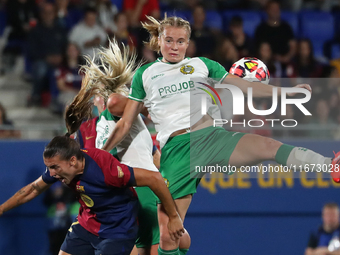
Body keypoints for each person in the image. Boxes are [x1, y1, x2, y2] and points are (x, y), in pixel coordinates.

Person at [99, 15, 340, 255]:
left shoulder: (203, 65)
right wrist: (100, 154)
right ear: (159, 40)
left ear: (188, 43)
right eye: (169, 40)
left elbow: (244, 85)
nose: (175, 46)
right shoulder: (146, 74)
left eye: (181, 41)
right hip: (178, 149)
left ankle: (330, 165)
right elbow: (125, 123)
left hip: (212, 137)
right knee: (170, 235)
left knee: (268, 146)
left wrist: (285, 91)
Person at [66, 40, 190, 255]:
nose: (95, 99)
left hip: (142, 190)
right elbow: (154, 157)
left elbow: (124, 105)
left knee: (171, 241)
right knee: (174, 241)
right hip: (123, 199)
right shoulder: (100, 127)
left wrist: (150, 108)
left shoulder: (116, 105)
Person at [0, 135, 184, 255]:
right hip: (87, 225)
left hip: (117, 230)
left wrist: (174, 217)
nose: (51, 173)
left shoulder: (107, 170)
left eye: (54, 167)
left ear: (72, 161)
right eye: (49, 167)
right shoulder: (61, 168)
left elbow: (155, 178)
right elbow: (32, 189)